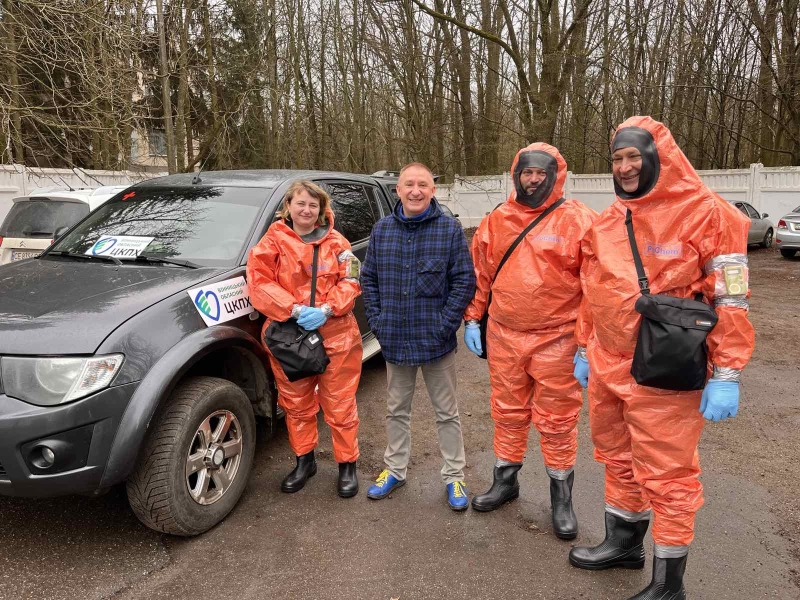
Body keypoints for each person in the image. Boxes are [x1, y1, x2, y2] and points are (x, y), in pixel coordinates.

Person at [569, 116, 754, 599]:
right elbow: (593, 289)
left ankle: (668, 584)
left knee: (669, 474)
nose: (625, 167)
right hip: (608, 363)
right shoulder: (609, 220)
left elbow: (731, 298)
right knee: (618, 457)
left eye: (634, 156)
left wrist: (728, 371)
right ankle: (624, 543)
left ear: (659, 157)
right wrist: (583, 345)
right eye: (618, 158)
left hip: (665, 368)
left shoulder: (709, 214)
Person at [462, 143, 597, 539]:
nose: (533, 179)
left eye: (541, 172)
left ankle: (561, 498)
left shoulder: (580, 221)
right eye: (526, 172)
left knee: (557, 421)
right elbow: (480, 276)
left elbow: (595, 288)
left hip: (558, 338)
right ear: (515, 174)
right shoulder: (496, 221)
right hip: (504, 335)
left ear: (556, 175)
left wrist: (586, 344)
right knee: (507, 411)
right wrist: (473, 318)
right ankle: (506, 481)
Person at [361, 162, 476, 511]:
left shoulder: (449, 230)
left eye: (422, 185)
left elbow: (464, 281)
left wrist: (446, 324)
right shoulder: (382, 230)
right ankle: (394, 470)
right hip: (394, 339)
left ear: (432, 190)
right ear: (398, 190)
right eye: (408, 184)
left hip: (436, 340)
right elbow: (369, 280)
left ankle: (454, 475)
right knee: (397, 410)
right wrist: (379, 322)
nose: (415, 190)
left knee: (447, 412)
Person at [247, 180, 363, 498]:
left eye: (313, 205)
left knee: (340, 406)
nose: (307, 210)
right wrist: (294, 310)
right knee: (296, 404)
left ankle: (347, 465)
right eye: (301, 204)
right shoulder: (272, 242)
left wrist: (327, 309)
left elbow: (352, 280)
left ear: (322, 209)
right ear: (288, 207)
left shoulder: (339, 243)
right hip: (290, 337)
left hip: (336, 336)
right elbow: (258, 282)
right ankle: (304, 461)